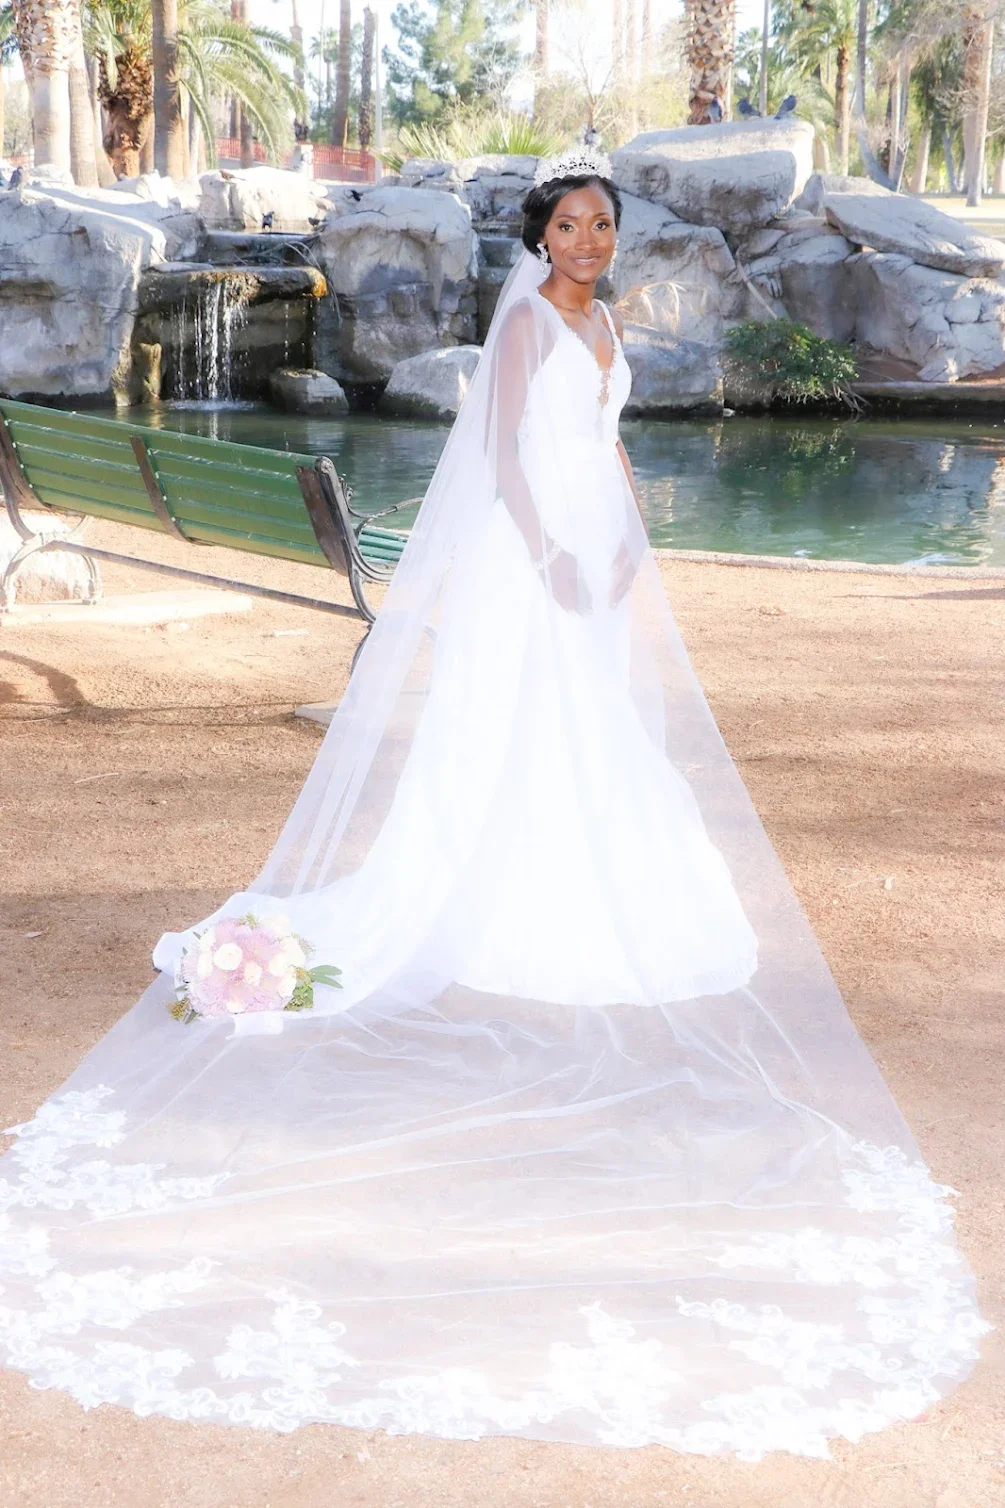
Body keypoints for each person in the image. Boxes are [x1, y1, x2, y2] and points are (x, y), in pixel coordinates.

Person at [0, 150, 987, 1457]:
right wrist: (557, 555)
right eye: (571, 221)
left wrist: (630, 534)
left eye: (603, 223)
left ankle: (579, 883)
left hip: (601, 549)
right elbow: (516, 463)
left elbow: (603, 442)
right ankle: (490, 894)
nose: (589, 237)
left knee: (597, 739)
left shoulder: (608, 319)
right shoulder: (524, 321)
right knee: (519, 736)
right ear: (541, 234)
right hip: (537, 565)